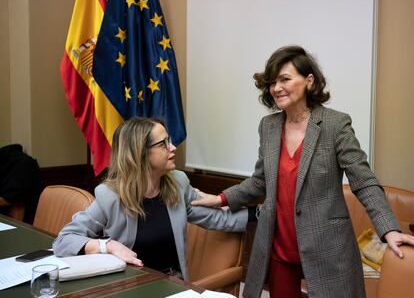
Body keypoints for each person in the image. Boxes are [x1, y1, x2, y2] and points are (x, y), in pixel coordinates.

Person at [191, 45, 414, 298]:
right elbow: (259, 182)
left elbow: (364, 181)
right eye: (272, 82)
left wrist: (389, 229)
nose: (276, 87)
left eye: (284, 79)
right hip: (279, 249)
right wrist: (220, 198)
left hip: (327, 247)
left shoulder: (335, 124)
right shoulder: (268, 126)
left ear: (309, 81)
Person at [53, 117, 253, 281]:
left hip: (171, 283)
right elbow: (64, 241)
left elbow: (217, 218)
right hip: (127, 286)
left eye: (170, 140)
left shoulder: (178, 183)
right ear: (140, 153)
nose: (173, 147)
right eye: (164, 143)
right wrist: (108, 245)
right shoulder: (111, 195)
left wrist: (260, 213)